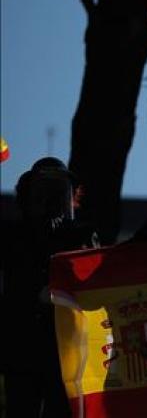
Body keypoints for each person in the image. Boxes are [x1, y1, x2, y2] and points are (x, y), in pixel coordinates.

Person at [0, 157, 99, 417]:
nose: (52, 202)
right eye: (43, 194)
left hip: (67, 351)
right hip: (21, 348)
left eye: (59, 193)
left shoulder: (82, 236)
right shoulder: (13, 237)